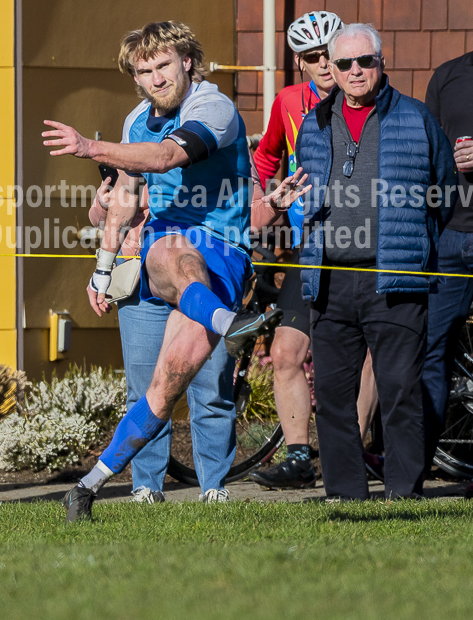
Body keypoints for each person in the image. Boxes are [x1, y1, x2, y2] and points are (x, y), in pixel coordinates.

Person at [42, 21, 309, 521]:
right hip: (164, 246)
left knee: (171, 385)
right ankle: (88, 489)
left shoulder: (213, 106)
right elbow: (125, 195)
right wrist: (102, 269)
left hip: (222, 254)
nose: (155, 78)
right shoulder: (135, 120)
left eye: (163, 65)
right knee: (167, 252)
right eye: (144, 71)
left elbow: (168, 156)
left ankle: (168, 484)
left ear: (187, 61)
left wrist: (89, 147)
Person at [296, 23, 456, 500]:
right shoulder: (314, 122)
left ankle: (404, 492)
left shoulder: (416, 118)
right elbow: (303, 190)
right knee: (333, 398)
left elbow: (443, 192)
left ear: (381, 63)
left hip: (396, 278)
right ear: (333, 69)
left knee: (401, 391)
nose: (354, 71)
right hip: (331, 278)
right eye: (344, 64)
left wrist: (417, 248)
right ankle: (345, 494)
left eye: (365, 61)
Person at [89, 160, 308, 503]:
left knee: (212, 386)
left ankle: (213, 486)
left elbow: (249, 218)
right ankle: (147, 486)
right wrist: (103, 205)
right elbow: (102, 216)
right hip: (140, 277)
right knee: (146, 386)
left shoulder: (228, 149)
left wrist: (273, 205)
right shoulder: (137, 144)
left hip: (209, 275)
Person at [250, 11, 379, 491]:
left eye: (331, 53)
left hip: (368, 246)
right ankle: (299, 457)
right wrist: (271, 200)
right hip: (313, 246)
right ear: (300, 64)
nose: (326, 64)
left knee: (371, 353)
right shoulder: (287, 102)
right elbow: (266, 155)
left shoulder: (371, 96)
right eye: (313, 58)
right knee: (286, 353)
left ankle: (353, 451)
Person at [421, 0, 473, 499]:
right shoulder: (446, 78)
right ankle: (413, 464)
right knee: (429, 349)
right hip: (448, 237)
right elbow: (426, 157)